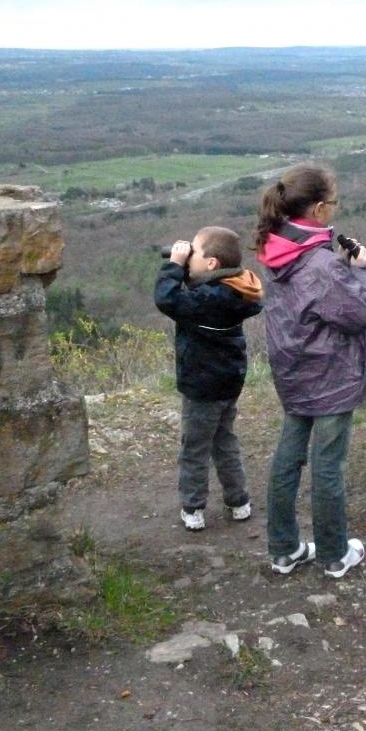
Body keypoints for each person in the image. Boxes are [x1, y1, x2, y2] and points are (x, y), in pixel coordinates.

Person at [256, 163, 366, 579]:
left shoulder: (273, 249)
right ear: (321, 210)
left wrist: (339, 268)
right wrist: (361, 271)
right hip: (330, 378)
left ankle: (284, 548)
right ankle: (333, 553)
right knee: (328, 466)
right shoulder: (321, 265)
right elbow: (359, 312)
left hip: (292, 371)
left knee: (288, 458)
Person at [154, 226, 264, 532]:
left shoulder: (206, 301)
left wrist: (174, 264)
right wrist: (190, 266)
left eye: (196, 252)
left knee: (195, 448)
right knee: (224, 440)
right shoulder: (237, 289)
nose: (190, 255)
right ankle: (238, 501)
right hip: (229, 382)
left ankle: (193, 507)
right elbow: (203, 291)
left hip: (202, 385)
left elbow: (167, 299)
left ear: (212, 263)